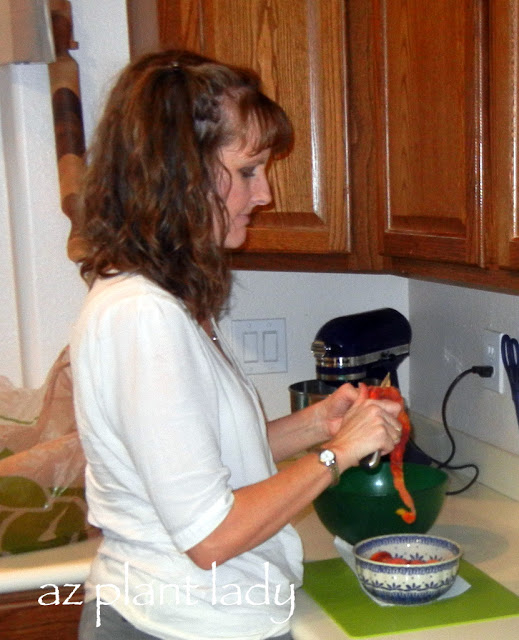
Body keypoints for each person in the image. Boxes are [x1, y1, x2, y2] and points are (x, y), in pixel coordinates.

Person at [70, 50, 403, 640]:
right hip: (176, 621)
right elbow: (212, 537)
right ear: (181, 173)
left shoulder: (164, 300)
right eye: (248, 170)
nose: (266, 193)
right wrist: (338, 455)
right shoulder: (142, 316)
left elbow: (198, 459)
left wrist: (316, 425)